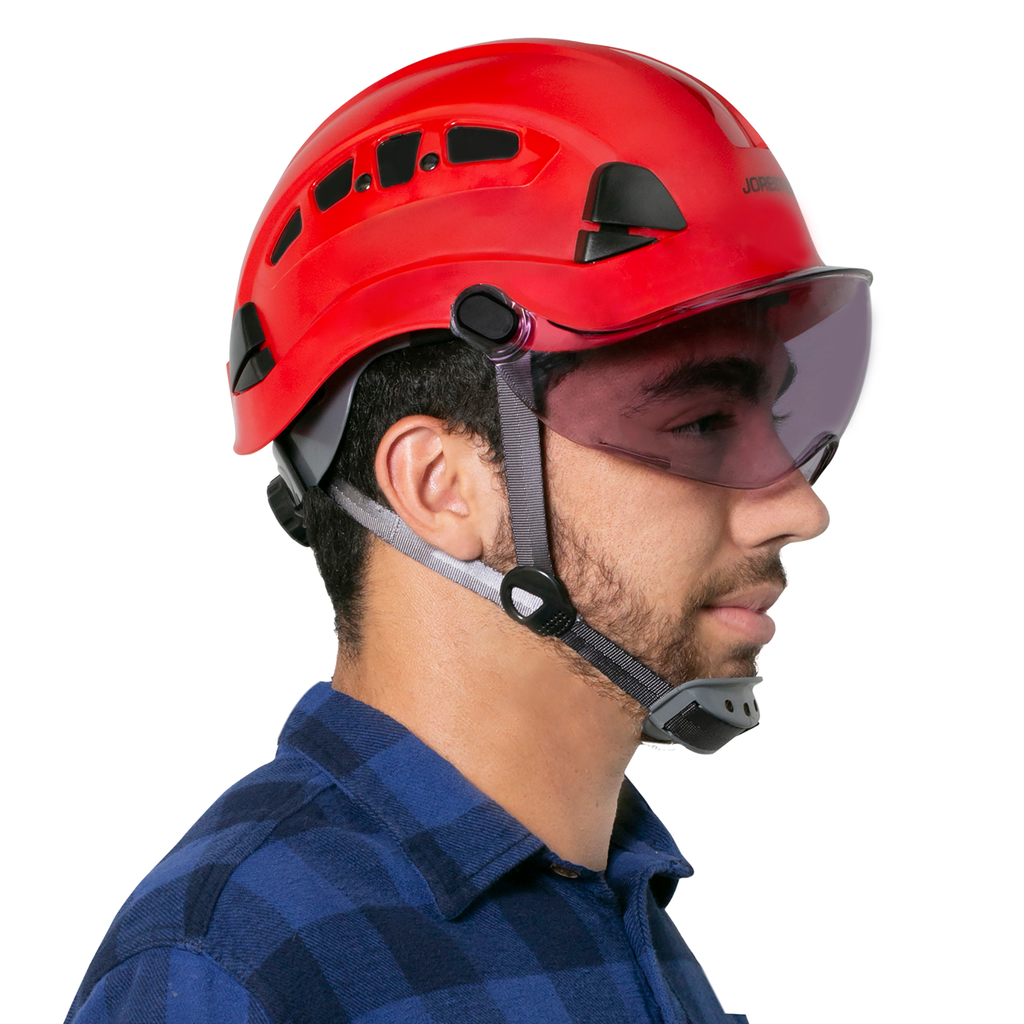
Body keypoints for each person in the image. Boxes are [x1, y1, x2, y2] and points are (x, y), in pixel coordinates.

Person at [64, 38, 871, 1024]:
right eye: (700, 423)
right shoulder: (237, 959)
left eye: (769, 424)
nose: (799, 507)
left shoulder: (611, 896)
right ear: (442, 487)